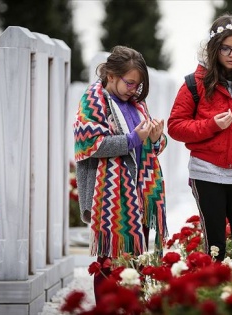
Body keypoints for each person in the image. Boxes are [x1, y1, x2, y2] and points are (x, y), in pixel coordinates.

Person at [167, 14, 232, 261]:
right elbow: (175, 126)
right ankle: (213, 295)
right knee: (215, 246)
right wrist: (211, 125)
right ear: (214, 48)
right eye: (225, 48)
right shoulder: (194, 84)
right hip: (206, 173)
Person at [73, 45, 167, 302]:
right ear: (111, 75)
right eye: (130, 83)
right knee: (110, 262)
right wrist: (132, 138)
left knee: (135, 260)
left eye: (137, 85)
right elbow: (89, 144)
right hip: (110, 198)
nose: (134, 89)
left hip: (139, 191)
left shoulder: (136, 102)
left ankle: (131, 306)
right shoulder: (93, 99)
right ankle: (108, 307)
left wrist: (156, 139)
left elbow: (149, 146)